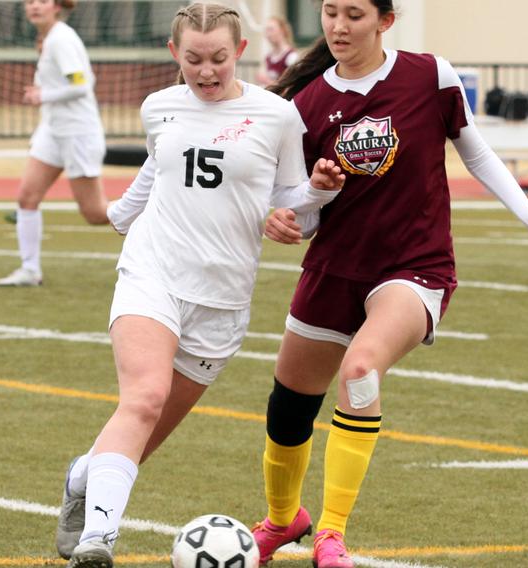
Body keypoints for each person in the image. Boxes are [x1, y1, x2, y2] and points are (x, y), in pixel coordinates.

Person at [249, 1, 528, 567]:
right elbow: (301, 216)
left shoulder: (429, 75)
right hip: (334, 266)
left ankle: (331, 533)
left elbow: (475, 150)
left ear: (385, 21)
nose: (337, 25)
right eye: (330, 11)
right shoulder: (303, 106)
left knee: (359, 373)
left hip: (414, 264)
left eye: (354, 14)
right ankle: (284, 521)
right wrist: (296, 209)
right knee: (288, 409)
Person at [56, 4, 345, 567]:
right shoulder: (158, 106)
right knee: (143, 399)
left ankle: (82, 477)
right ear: (174, 54)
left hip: (223, 298)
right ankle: (98, 542)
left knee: (146, 434)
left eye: (217, 58)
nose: (206, 71)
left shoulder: (276, 116)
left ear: (239, 53)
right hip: (153, 272)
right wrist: (114, 214)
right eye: (193, 59)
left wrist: (317, 196)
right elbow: (158, 168)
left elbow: (292, 203)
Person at [0, 0, 109, 287]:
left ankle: (160, 213)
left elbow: (82, 84)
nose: (34, 6)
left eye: (42, 1)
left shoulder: (61, 39)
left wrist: (43, 95)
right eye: (30, 1)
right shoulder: (47, 39)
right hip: (53, 131)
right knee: (27, 197)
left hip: (77, 133)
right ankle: (30, 270)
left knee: (95, 213)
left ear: (57, 6)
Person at [255, 16, 300, 87]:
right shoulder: (268, 57)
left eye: (271, 29)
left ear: (282, 31)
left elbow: (292, 84)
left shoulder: (291, 56)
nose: (268, 34)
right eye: (266, 30)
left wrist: (268, 81)